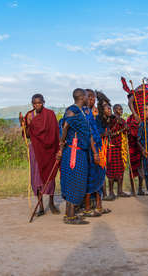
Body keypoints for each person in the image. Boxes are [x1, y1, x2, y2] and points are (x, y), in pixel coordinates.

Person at [57, 88, 98, 225]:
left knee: (76, 181)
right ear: (81, 97)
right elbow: (65, 125)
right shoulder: (72, 110)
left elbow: (87, 132)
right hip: (74, 151)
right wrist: (62, 144)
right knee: (73, 182)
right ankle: (70, 216)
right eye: (87, 96)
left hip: (81, 151)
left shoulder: (82, 111)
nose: (89, 98)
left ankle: (70, 214)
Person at [19, 94, 60, 216]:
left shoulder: (50, 114)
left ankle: (51, 203)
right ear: (32, 104)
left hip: (49, 150)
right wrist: (25, 124)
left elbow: (55, 133)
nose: (37, 105)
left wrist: (57, 149)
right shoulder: (29, 115)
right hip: (35, 150)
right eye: (34, 103)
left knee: (50, 177)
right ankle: (41, 206)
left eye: (39, 103)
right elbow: (27, 135)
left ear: (44, 102)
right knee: (36, 177)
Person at [81, 89, 110, 217]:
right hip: (88, 152)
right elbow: (89, 133)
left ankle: (99, 206)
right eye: (89, 97)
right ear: (84, 98)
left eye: (93, 97)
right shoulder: (81, 113)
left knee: (99, 176)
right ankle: (87, 207)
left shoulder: (95, 114)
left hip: (100, 149)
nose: (92, 100)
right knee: (89, 178)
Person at [107, 104, 129, 198]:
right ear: (114, 110)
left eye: (121, 109)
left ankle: (120, 191)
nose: (121, 110)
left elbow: (126, 131)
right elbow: (109, 134)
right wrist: (122, 130)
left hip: (121, 149)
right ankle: (111, 192)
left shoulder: (123, 121)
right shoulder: (111, 119)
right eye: (119, 109)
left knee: (121, 170)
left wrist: (126, 129)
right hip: (112, 148)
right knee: (111, 170)